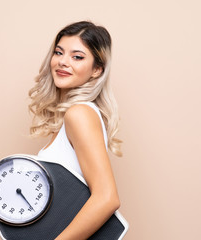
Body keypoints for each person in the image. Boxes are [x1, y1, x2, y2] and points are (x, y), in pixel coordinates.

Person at [28, 21, 122, 240]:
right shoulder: (73, 116)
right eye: (59, 52)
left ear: (97, 70)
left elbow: (107, 198)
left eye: (77, 57)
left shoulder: (79, 114)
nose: (63, 62)